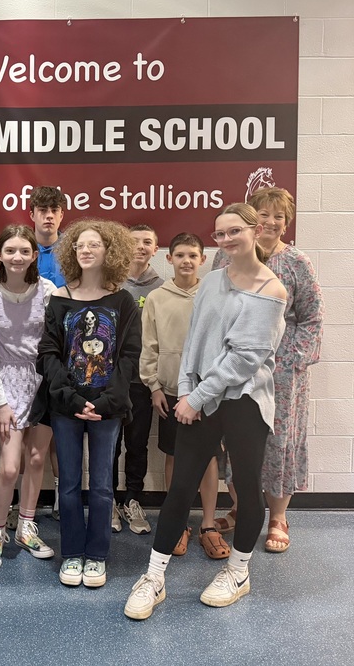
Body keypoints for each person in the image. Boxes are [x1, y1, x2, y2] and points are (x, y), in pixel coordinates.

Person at [124, 204, 286, 620]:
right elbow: (196, 340)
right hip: (200, 397)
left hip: (245, 401)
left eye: (235, 231)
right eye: (219, 234)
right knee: (181, 489)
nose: (227, 240)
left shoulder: (271, 290)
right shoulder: (212, 280)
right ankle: (154, 576)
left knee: (246, 489)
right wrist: (186, 392)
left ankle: (238, 572)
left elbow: (244, 359)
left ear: (255, 230)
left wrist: (196, 398)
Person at [210, 187, 324, 553]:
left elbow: (311, 319)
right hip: (233, 370)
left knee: (278, 444)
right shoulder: (222, 258)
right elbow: (213, 311)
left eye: (279, 216)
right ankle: (242, 506)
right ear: (249, 220)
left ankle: (277, 516)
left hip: (282, 376)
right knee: (234, 443)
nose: (271, 222)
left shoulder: (296, 263)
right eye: (263, 214)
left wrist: (285, 364)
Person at [36, 219, 140, 589]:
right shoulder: (59, 299)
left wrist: (107, 400)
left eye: (94, 244)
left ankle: (96, 555)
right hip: (66, 405)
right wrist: (71, 397)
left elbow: (129, 356)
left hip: (107, 408)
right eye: (80, 244)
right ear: (71, 252)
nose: (86, 249)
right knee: (66, 486)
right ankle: (73, 553)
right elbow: (48, 354)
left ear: (109, 251)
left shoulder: (123, 301)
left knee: (100, 486)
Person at [139, 233, 226, 560]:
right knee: (173, 456)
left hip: (208, 393)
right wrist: (155, 387)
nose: (187, 261)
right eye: (180, 255)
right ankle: (177, 524)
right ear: (169, 259)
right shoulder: (158, 298)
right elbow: (150, 346)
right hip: (172, 392)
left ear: (202, 260)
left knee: (208, 458)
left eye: (193, 255)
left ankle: (207, 525)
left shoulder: (215, 295)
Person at [0, 225, 57, 571]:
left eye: (24, 250)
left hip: (42, 383)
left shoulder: (49, 290)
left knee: (37, 460)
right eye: (10, 250)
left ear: (34, 255)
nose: (17, 257)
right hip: (6, 384)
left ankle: (26, 526)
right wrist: (1, 402)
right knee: (9, 467)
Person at [112, 224, 164, 535]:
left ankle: (132, 499)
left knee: (138, 444)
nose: (141, 247)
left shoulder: (162, 288)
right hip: (113, 381)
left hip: (143, 382)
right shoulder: (112, 285)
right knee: (109, 446)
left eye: (147, 242)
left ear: (156, 249)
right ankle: (109, 503)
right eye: (135, 242)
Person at [28, 185, 66, 521]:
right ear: (33, 215)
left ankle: (60, 492)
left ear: (61, 214)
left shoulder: (72, 250)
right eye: (42, 210)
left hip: (65, 353)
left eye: (54, 209)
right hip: (24, 354)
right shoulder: (22, 249)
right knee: (30, 428)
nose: (49, 215)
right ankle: (25, 501)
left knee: (60, 428)